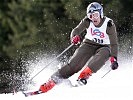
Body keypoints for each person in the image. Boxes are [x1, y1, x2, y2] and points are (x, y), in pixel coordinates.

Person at [39, 2, 119, 93]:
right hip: (88, 44)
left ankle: (84, 76)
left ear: (101, 14)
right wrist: (74, 36)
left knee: (104, 53)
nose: (94, 18)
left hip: (104, 46)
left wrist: (114, 58)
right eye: (91, 16)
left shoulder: (109, 24)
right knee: (74, 65)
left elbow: (114, 43)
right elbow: (76, 30)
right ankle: (51, 82)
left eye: (96, 15)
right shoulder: (87, 21)